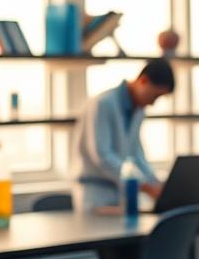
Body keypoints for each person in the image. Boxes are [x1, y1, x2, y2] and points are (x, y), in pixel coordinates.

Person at [70, 58, 173, 213]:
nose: (153, 103)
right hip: (96, 192)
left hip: (120, 192)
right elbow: (102, 155)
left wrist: (154, 182)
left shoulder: (138, 110)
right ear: (143, 81)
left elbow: (136, 155)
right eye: (155, 96)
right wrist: (142, 184)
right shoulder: (103, 104)